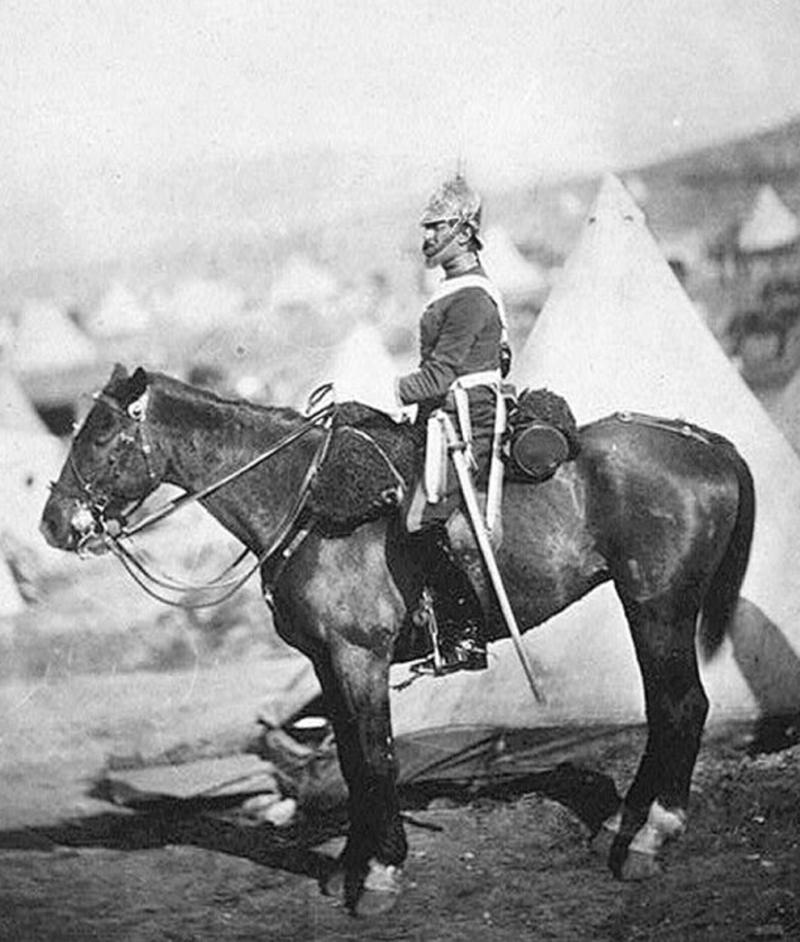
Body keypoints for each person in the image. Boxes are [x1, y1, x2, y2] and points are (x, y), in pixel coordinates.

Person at [395, 173, 510, 674]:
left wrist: (391, 386)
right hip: (447, 413)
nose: (426, 238)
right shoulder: (454, 289)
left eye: (435, 227)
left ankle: (466, 637)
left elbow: (441, 373)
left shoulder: (469, 296)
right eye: (425, 227)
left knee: (420, 521)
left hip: (468, 418)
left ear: (464, 232)